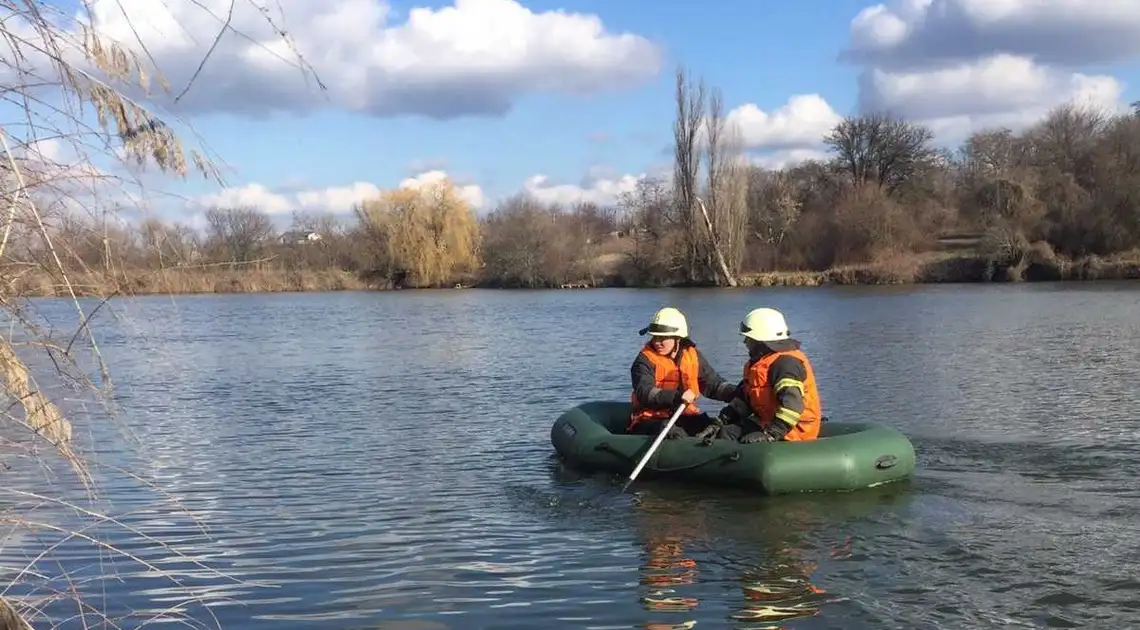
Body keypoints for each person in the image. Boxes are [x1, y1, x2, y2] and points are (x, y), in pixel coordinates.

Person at [698, 307, 823, 444]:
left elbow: (792, 406)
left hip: (793, 433)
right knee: (725, 433)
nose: (745, 342)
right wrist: (721, 421)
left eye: (749, 339)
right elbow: (746, 400)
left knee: (730, 437)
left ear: (761, 340)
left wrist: (770, 434)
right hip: (768, 423)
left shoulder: (785, 364)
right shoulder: (760, 364)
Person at [628, 307, 738, 439]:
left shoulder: (692, 356)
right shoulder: (644, 360)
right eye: (655, 337)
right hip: (651, 420)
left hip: (684, 416)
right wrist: (677, 397)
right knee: (674, 434)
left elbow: (712, 384)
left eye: (663, 338)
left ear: (678, 339)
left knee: (718, 430)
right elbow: (644, 392)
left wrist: (737, 393)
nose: (657, 342)